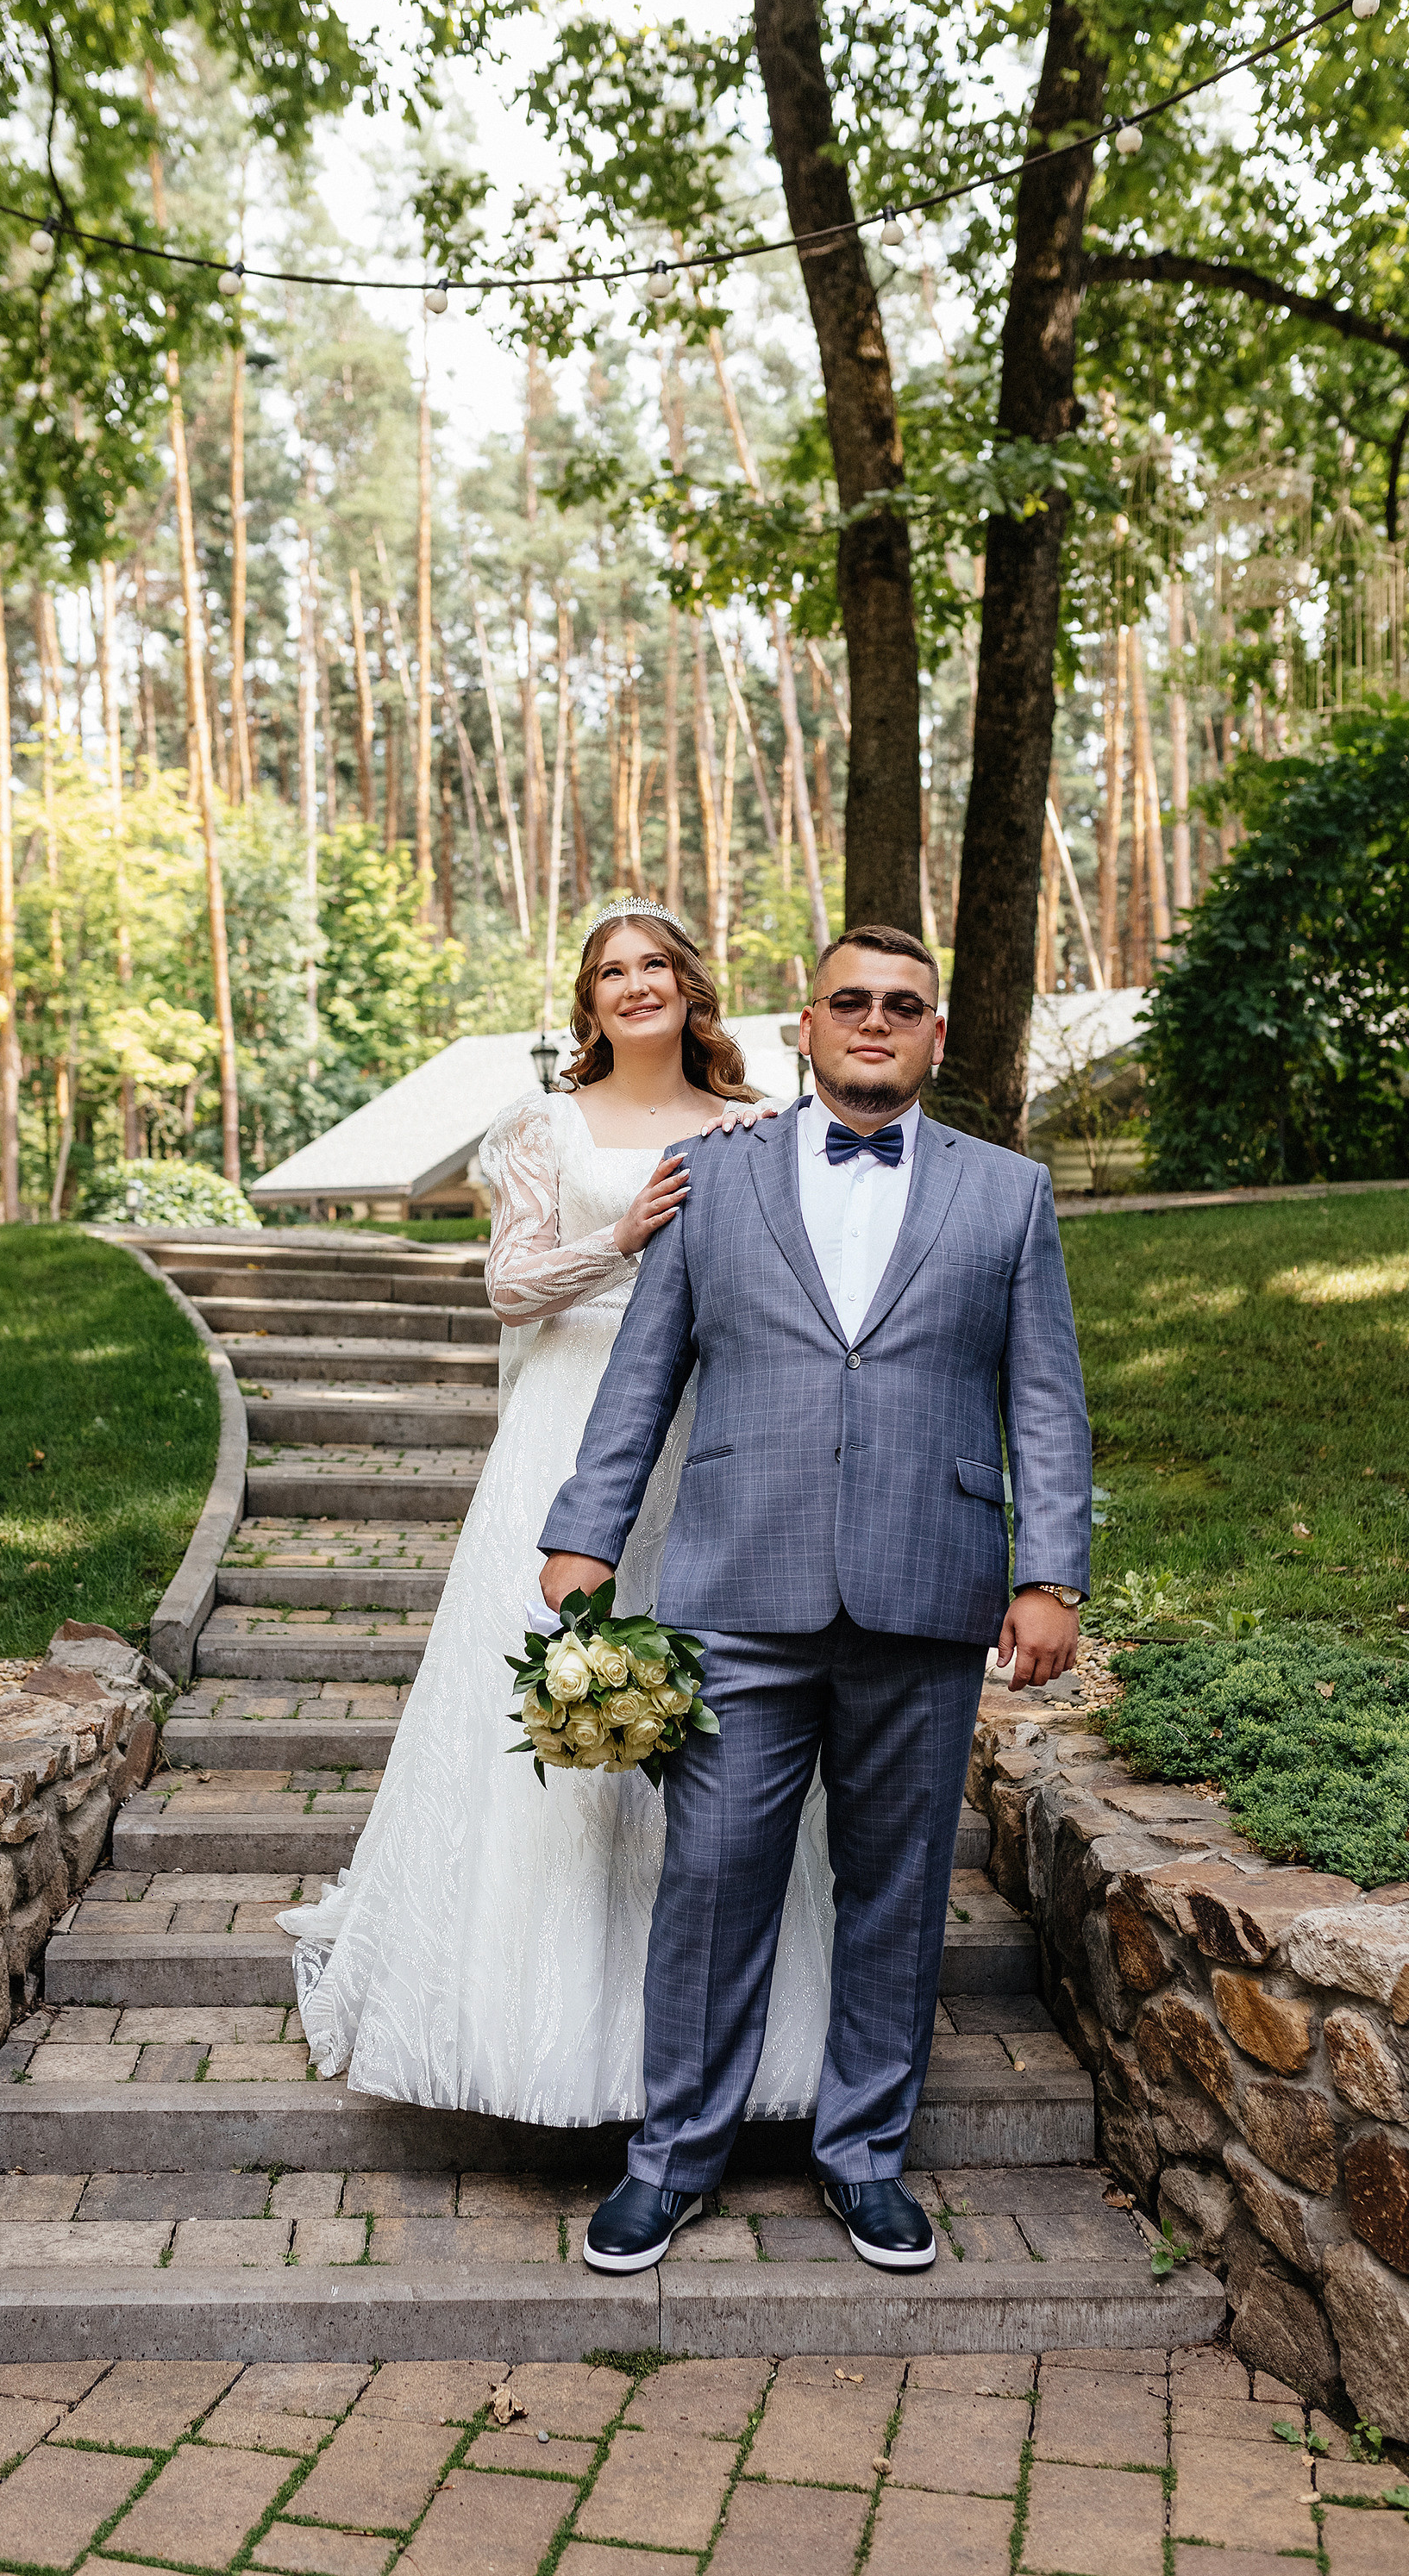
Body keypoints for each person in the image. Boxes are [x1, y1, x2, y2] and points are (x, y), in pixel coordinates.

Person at [539, 922, 1094, 2276]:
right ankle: (668, 2165)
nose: (875, 1022)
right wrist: (585, 1532)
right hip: (742, 1584)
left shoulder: (1009, 1194)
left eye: (904, 1007)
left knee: (896, 1894)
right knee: (715, 1881)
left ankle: (866, 2160)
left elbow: (1046, 1399)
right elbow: (643, 1373)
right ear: (807, 1022)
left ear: (937, 1037)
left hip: (928, 1588)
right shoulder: (711, 1180)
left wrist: (1050, 1571)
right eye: (851, 1000)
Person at [280, 899, 836, 2126]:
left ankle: (722, 2026)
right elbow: (506, 1283)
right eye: (609, 973)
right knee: (559, 1694)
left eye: (654, 967)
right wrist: (623, 1236)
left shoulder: (758, 1127)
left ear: (694, 989)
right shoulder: (546, 1126)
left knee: (708, 1710)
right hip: (573, 1421)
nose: (634, 986)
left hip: (711, 1433)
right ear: (588, 1004)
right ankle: (535, 2028)